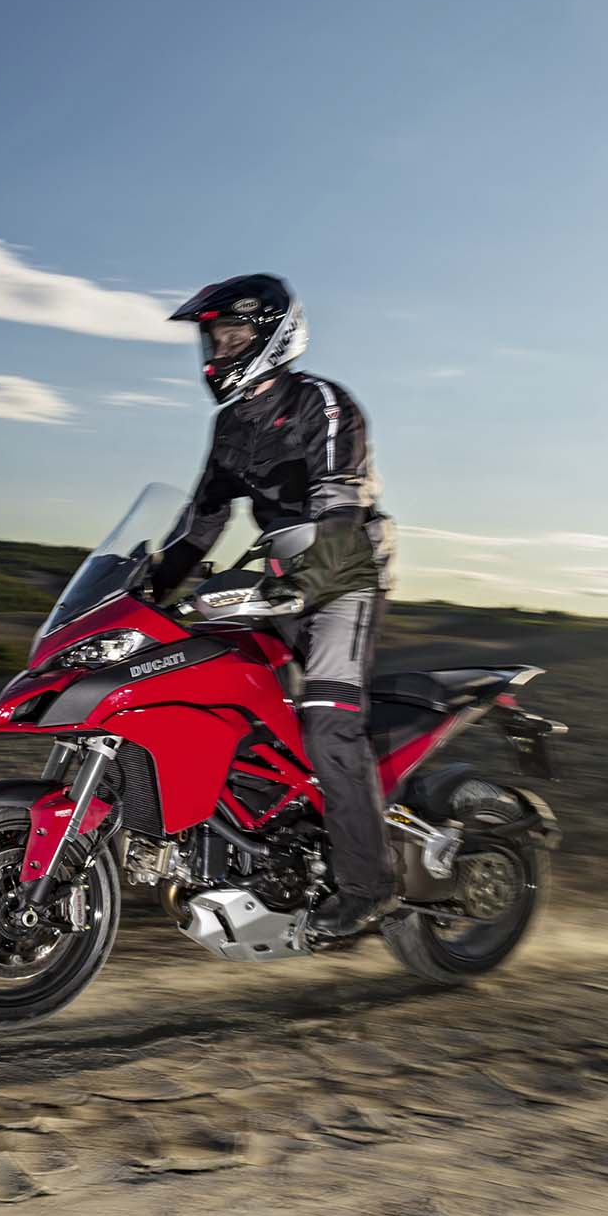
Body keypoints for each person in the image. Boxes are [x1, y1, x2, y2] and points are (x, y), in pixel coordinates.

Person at [149, 273, 399, 941]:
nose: (219, 349)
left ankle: (369, 886)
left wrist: (307, 583)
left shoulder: (324, 403)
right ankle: (269, 854)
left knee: (328, 722)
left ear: (274, 336)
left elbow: (340, 504)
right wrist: (146, 590)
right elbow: (200, 524)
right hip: (284, 577)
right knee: (230, 695)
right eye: (214, 338)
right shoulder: (231, 425)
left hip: (347, 573)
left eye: (233, 335)